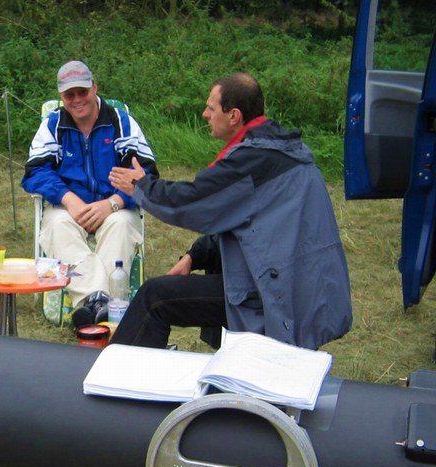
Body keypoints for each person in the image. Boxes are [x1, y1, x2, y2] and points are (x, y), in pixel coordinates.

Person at [108, 72, 352, 350]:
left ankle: (116, 377)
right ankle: (228, 364)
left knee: (155, 297)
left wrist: (140, 186)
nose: (204, 114)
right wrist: (194, 255)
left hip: (275, 295)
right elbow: (235, 217)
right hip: (299, 285)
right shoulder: (278, 151)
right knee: (193, 280)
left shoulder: (252, 162)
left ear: (234, 115)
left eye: (211, 108)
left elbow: (189, 203)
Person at [21, 60, 158, 327]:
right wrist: (67, 198)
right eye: (69, 95)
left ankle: (90, 305)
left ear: (94, 87)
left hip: (115, 204)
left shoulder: (121, 123)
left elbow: (147, 173)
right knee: (56, 225)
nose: (77, 100)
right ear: (61, 96)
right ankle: (102, 304)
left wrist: (115, 203)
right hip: (69, 206)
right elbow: (35, 171)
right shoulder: (53, 125)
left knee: (120, 226)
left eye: (82, 92)